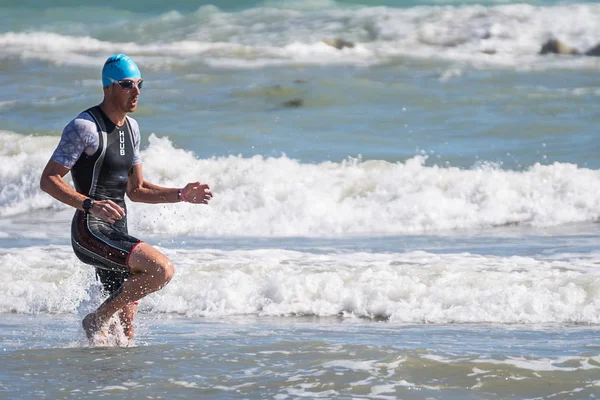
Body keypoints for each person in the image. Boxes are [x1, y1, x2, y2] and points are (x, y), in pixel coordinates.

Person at [40, 54, 212, 345]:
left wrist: (182, 195)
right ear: (108, 87)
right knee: (161, 269)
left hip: (116, 234)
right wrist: (89, 204)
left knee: (125, 334)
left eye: (139, 84)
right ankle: (96, 318)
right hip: (90, 231)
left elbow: (137, 189)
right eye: (127, 84)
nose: (136, 91)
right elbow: (49, 179)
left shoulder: (131, 128)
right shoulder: (84, 127)